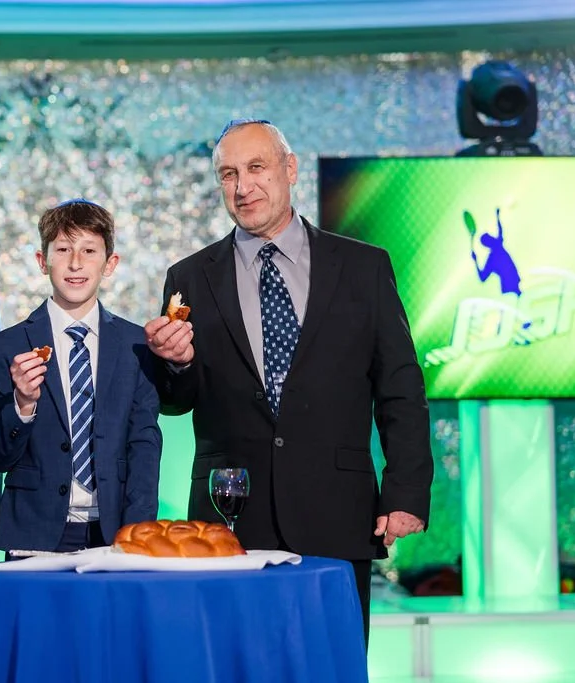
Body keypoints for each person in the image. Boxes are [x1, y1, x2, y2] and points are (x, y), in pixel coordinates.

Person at [143, 118, 433, 643]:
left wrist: (406, 491)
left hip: (337, 512)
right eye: (228, 174)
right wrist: (175, 364)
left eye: (256, 168)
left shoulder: (363, 267)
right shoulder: (189, 277)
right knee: (233, 666)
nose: (242, 186)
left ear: (290, 169)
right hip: (227, 517)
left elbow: (401, 388)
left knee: (331, 665)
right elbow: (175, 402)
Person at [0, 199, 162, 553]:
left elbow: (144, 443)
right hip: (32, 533)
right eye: (63, 249)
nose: (76, 263)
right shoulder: (8, 346)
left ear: (110, 263)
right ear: (41, 261)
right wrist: (21, 406)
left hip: (114, 533)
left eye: (89, 250)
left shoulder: (136, 345)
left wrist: (139, 532)